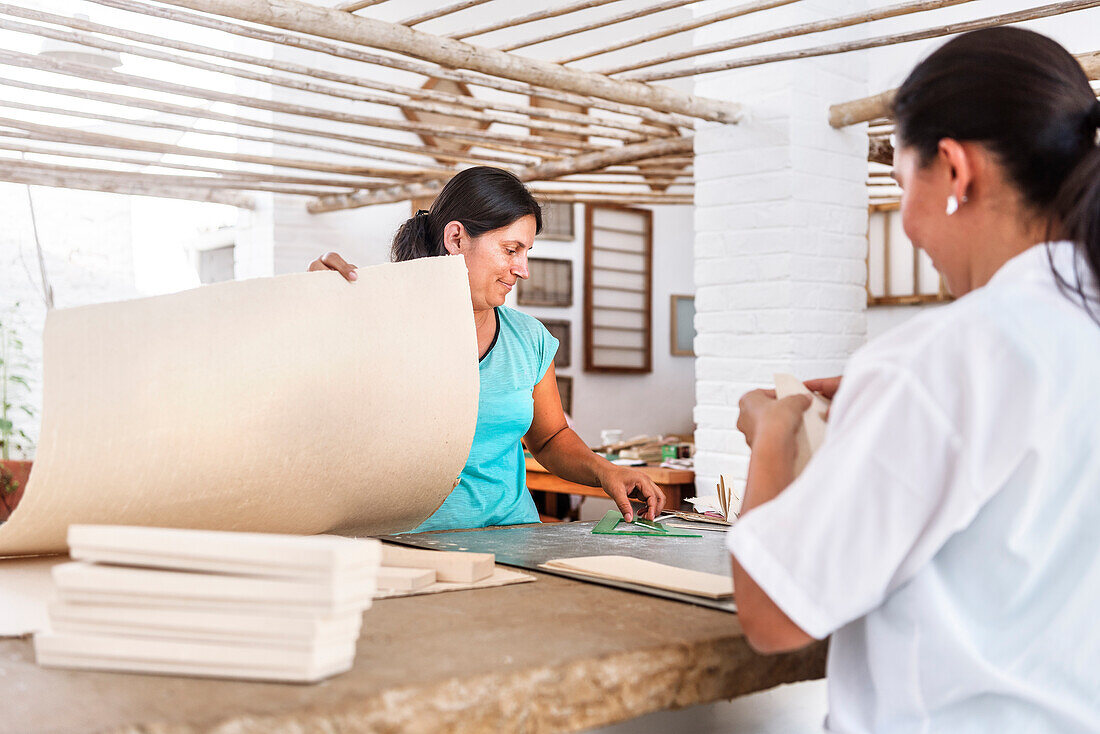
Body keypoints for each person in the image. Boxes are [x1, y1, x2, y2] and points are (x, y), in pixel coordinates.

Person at [726, 28, 1100, 733]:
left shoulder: (945, 355)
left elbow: (773, 615)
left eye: (901, 185)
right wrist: (886, 409)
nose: (908, 225)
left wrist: (772, 437)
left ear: (955, 171)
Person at [310, 167, 665, 531]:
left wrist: (606, 471)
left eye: (526, 252)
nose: (523, 270)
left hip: (512, 540)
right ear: (456, 238)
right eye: (511, 250)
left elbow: (550, 438)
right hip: (403, 546)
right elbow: (320, 420)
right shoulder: (376, 325)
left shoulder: (530, 339)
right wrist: (316, 314)